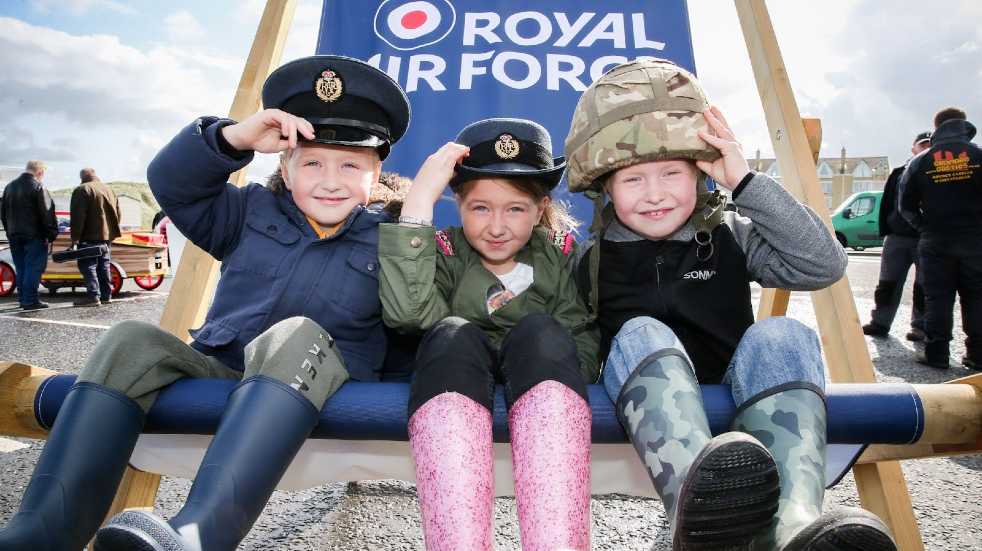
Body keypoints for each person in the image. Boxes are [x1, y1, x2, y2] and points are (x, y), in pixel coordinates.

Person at [0, 55, 411, 551]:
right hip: (228, 373)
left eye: (350, 164)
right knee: (130, 338)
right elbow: (173, 183)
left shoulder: (394, 239)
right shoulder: (246, 212)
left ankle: (197, 535)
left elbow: (420, 314)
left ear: (376, 173)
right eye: (312, 162)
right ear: (284, 164)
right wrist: (234, 138)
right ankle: (42, 531)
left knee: (297, 332)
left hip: (320, 390)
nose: (330, 179)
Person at [565, 59, 896, 550]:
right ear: (605, 188)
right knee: (641, 331)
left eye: (672, 173)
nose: (655, 194)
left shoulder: (731, 236)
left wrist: (745, 182)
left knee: (781, 333)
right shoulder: (587, 256)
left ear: (700, 175)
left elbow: (822, 264)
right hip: (640, 407)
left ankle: (793, 524)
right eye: (633, 179)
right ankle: (697, 511)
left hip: (740, 394)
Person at [379, 118, 599, 550]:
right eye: (480, 208)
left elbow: (583, 347)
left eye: (515, 209)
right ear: (458, 205)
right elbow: (408, 315)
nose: (497, 227)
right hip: (456, 376)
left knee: (542, 331)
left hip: (541, 383)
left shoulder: (558, 258)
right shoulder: (441, 251)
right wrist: (420, 200)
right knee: (450, 333)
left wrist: (528, 357)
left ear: (539, 210)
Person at [899, 107, 982, 370]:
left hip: (936, 240)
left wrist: (924, 227)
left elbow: (905, 205)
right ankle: (977, 355)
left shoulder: (921, 160)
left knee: (937, 297)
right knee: (977, 296)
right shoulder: (978, 155)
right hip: (976, 240)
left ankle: (937, 354)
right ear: (964, 124)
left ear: (936, 127)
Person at [862, 132, 932, 340]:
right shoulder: (899, 172)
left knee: (924, 286)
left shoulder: (934, 172)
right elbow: (887, 204)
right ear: (913, 148)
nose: (926, 147)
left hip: (924, 237)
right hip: (897, 236)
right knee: (887, 284)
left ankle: (920, 326)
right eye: (922, 144)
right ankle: (880, 322)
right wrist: (886, 230)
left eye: (930, 144)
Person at [0, 160, 58, 310]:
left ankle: (23, 299)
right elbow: (47, 212)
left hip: (14, 234)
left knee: (21, 268)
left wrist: (9, 231)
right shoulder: (38, 187)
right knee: (34, 267)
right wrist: (51, 234)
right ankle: (30, 300)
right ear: (40, 172)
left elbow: (3, 213)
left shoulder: (9, 187)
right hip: (34, 235)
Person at [68, 167, 121, 306]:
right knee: (104, 265)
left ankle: (93, 296)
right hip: (106, 237)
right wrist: (111, 232)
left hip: (89, 236)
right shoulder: (109, 189)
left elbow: (78, 217)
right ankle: (106, 295)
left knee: (88, 266)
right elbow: (118, 213)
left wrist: (75, 238)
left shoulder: (82, 190)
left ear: (82, 178)